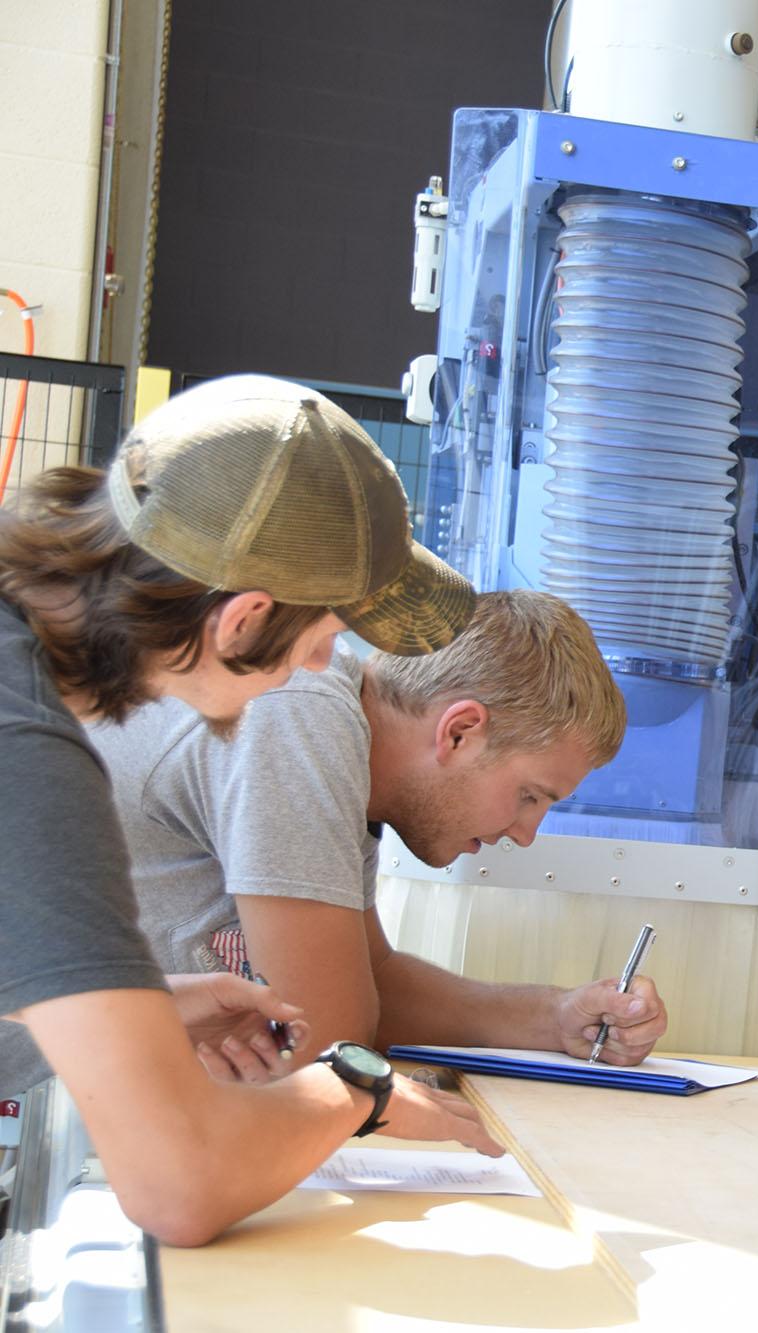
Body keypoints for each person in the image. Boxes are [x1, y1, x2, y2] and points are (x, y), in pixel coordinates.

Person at [1, 375, 502, 1248]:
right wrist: (355, 1088)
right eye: (324, 637)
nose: (320, 669)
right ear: (242, 622)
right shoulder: (30, 750)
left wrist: (141, 1007)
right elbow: (178, 1183)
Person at [0, 589, 666, 1093]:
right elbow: (332, 1034)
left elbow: (370, 981)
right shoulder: (301, 707)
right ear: (459, 731)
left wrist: (556, 1016)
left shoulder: (349, 751)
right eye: (531, 795)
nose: (525, 834)